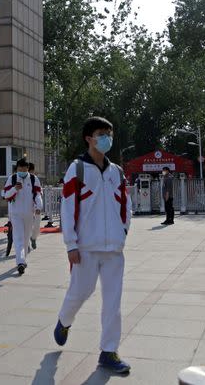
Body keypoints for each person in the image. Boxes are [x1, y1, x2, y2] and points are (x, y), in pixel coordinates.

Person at [54, 116, 132, 374]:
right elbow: (67, 208)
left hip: (113, 251)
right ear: (89, 138)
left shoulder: (116, 172)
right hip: (85, 248)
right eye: (101, 133)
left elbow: (126, 206)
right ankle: (64, 321)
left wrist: (122, 233)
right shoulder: (76, 169)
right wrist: (71, 244)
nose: (107, 138)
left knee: (113, 302)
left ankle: (108, 351)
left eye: (109, 133)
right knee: (80, 293)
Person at [2, 157, 42, 275]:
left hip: (29, 214)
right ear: (17, 168)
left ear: (28, 169)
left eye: (24, 169)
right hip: (16, 214)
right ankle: (20, 262)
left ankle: (22, 260)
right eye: (20, 169)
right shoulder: (12, 178)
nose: (22, 171)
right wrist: (14, 189)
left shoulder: (34, 179)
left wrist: (39, 207)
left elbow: (38, 195)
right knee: (18, 237)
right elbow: (6, 195)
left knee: (25, 239)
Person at [29, 163, 41, 249]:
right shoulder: (17, 178)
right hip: (23, 206)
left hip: (34, 204)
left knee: (37, 224)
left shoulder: (34, 179)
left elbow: (38, 193)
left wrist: (38, 206)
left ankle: (33, 238)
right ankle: (25, 243)